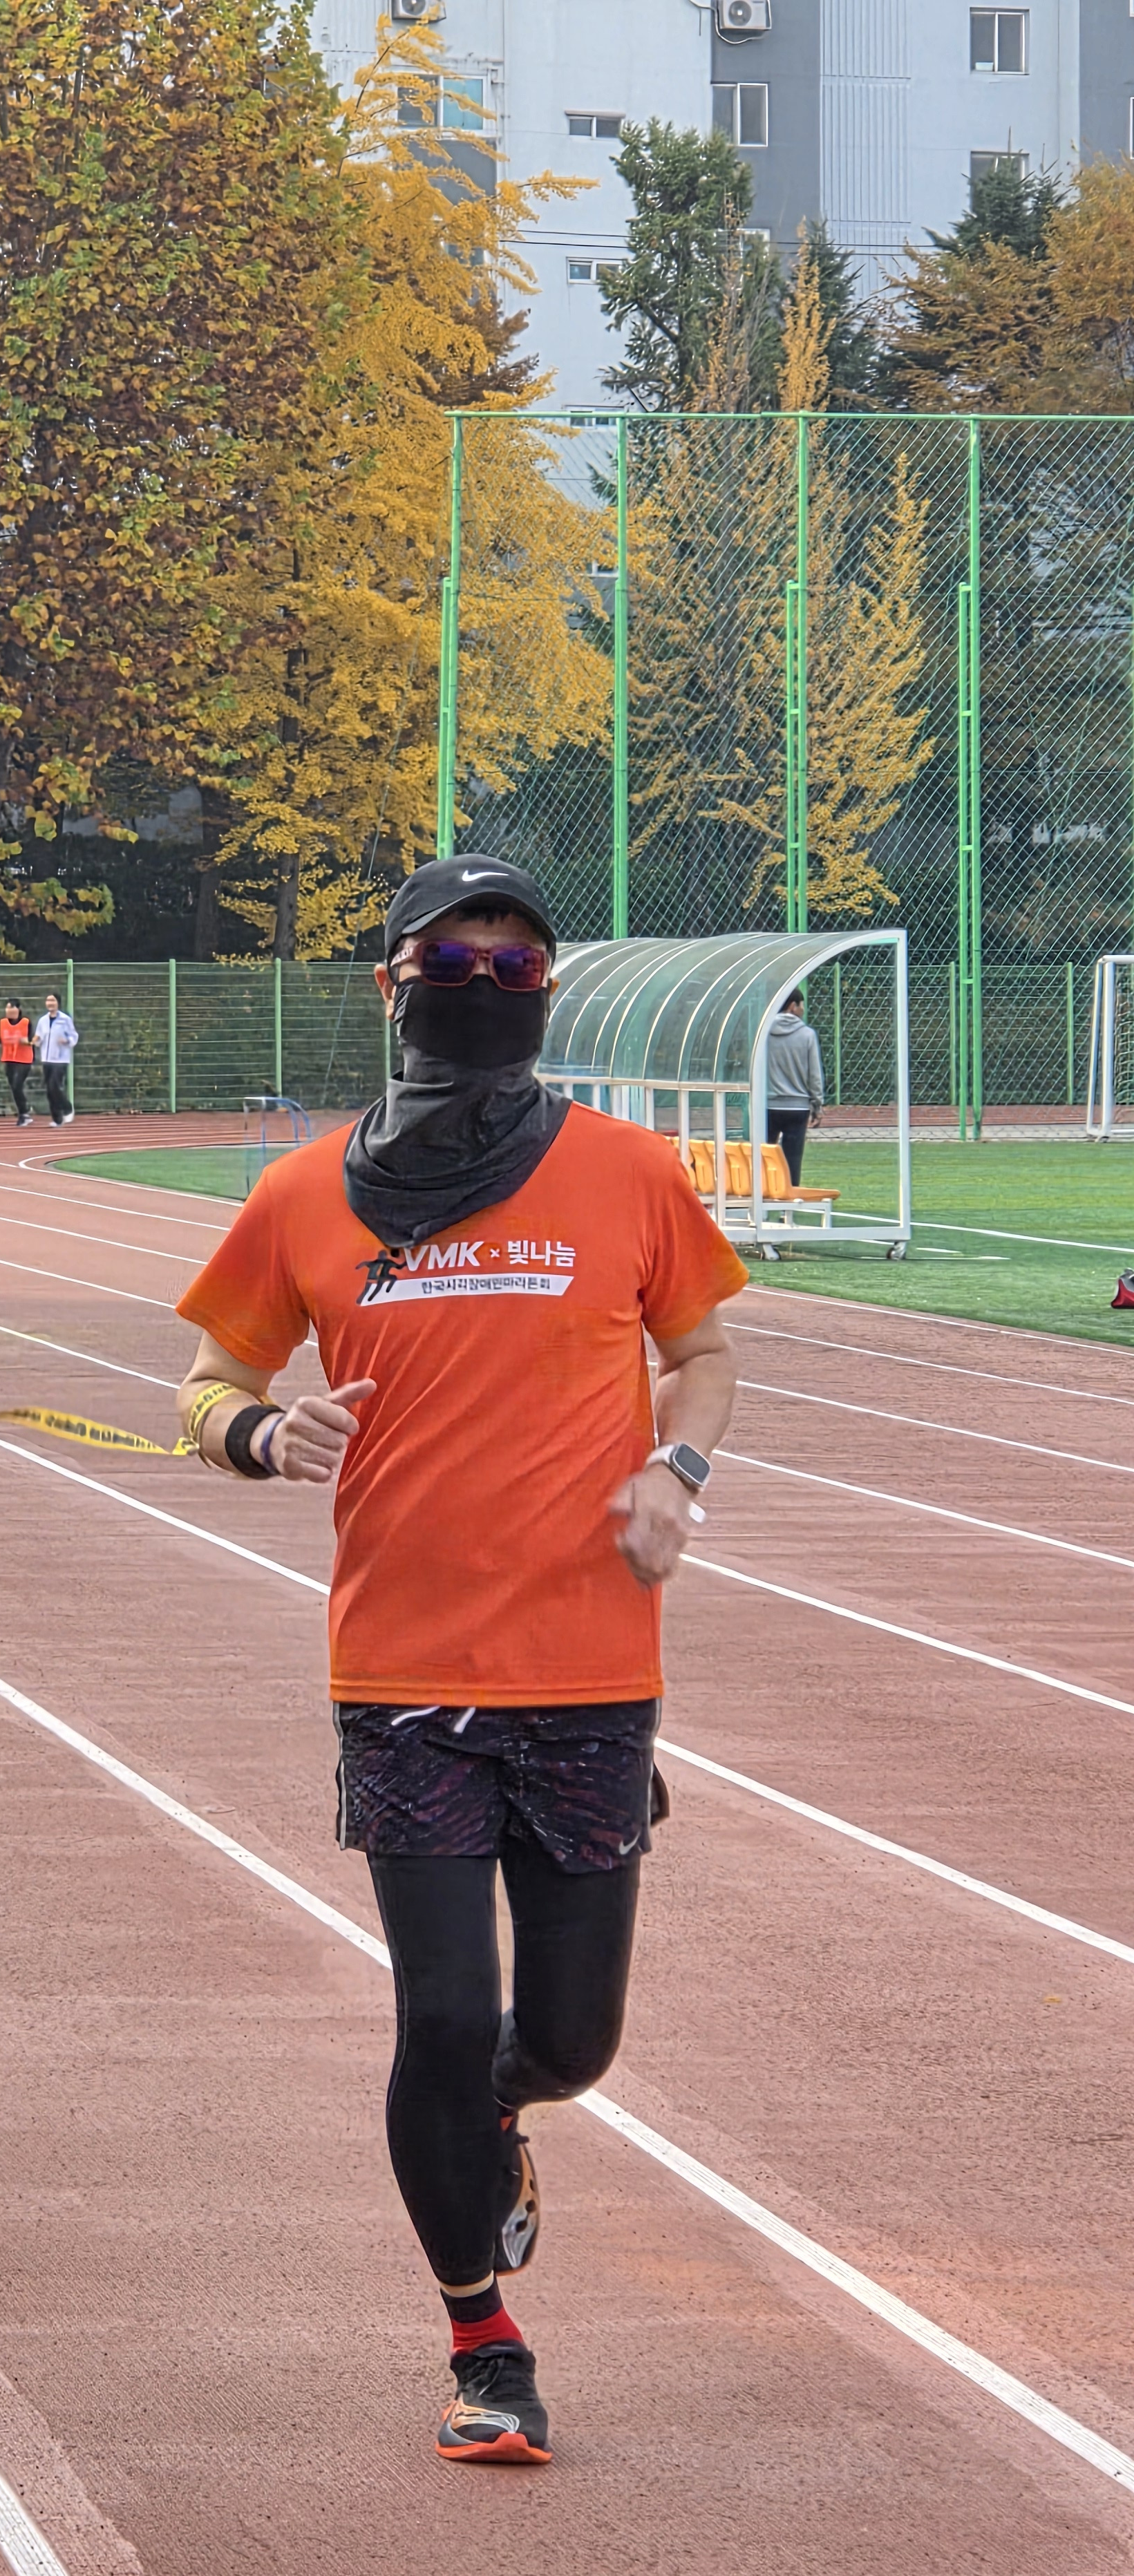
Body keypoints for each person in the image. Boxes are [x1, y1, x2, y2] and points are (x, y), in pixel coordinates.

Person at [171, 854, 743, 2468]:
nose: (484, 987)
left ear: (544, 993)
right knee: (439, 2015)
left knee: (566, 2040)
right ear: (391, 984)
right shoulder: (305, 1195)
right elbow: (204, 1380)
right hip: (403, 1673)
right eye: (453, 960)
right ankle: (482, 2338)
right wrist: (255, 1430)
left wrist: (675, 1469)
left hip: (588, 1670)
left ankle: (502, 2107)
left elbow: (702, 1351)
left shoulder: (627, 1171)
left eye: (515, 966)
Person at [764, 985, 824, 1185]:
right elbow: (814, 1074)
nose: (803, 1010)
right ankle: (789, 1200)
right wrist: (817, 1104)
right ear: (792, 1006)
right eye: (801, 1006)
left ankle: (763, 1197)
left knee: (764, 1159)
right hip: (798, 1107)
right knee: (793, 1161)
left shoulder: (763, 1032)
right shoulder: (807, 1035)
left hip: (768, 1105)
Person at [34, 989, 77, 1126]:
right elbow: (39, 1038)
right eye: (48, 1001)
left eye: (53, 1001)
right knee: (49, 1090)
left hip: (60, 1059)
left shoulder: (65, 1020)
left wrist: (66, 1041)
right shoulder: (43, 1021)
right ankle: (57, 1119)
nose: (50, 1003)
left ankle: (67, 1108)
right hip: (46, 1059)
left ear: (58, 1003)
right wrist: (36, 1041)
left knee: (55, 1087)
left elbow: (74, 1036)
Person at [0, 998, 35, 1125]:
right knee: (14, 1087)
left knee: (17, 1085)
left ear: (18, 1009)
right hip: (9, 1059)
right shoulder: (2, 1023)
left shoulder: (26, 1022)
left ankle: (24, 1114)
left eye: (12, 1008)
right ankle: (24, 1109)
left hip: (24, 1060)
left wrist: (27, 1042)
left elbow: (33, 1039)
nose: (9, 1010)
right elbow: (0, 1038)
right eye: (8, 1008)